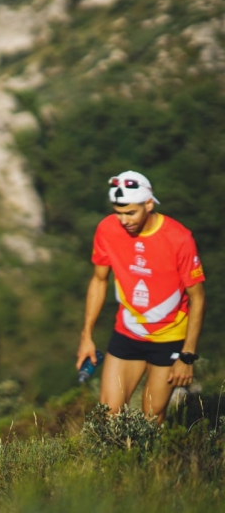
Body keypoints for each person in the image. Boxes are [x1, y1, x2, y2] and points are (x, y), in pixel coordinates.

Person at [75, 170, 205, 423]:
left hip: (169, 338)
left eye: (130, 212)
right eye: (118, 212)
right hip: (127, 333)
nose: (124, 220)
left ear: (148, 204)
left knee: (152, 416)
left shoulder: (179, 238)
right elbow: (99, 280)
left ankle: (148, 463)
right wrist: (86, 336)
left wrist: (187, 356)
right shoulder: (107, 229)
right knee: (108, 414)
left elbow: (198, 297)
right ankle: (113, 463)